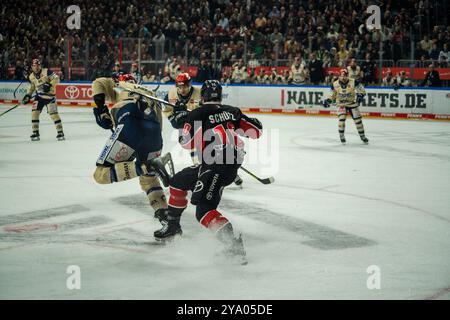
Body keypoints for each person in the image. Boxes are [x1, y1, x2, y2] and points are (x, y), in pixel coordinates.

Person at [154, 80, 263, 264]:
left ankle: (233, 247)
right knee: (178, 181)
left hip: (215, 166)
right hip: (228, 164)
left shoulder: (197, 114)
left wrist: (184, 118)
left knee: (204, 210)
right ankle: (173, 226)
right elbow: (256, 131)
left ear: (202, 97)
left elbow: (185, 143)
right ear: (220, 96)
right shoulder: (232, 111)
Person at [91, 73, 169, 221]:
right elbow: (159, 126)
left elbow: (98, 82)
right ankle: (164, 215)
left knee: (100, 175)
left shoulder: (120, 89)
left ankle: (146, 167)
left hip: (129, 122)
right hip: (154, 133)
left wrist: (100, 109)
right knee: (149, 180)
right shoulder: (149, 94)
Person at [164, 73, 244, 187]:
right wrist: (175, 119)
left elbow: (209, 109)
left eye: (185, 87)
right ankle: (204, 172)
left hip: (201, 124)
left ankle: (227, 170)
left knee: (215, 148)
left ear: (190, 84)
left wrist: (189, 113)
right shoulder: (170, 94)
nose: (182, 90)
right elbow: (166, 110)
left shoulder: (200, 93)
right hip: (185, 126)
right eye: (179, 87)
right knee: (195, 151)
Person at [21, 59, 64, 141]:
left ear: (40, 66)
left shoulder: (46, 72)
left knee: (54, 114)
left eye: (38, 65)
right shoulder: (31, 76)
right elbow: (32, 87)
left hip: (50, 97)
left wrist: (50, 84)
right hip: (39, 97)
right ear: (32, 67)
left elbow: (57, 79)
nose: (36, 67)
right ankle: (35, 132)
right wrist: (28, 95)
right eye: (34, 66)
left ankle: (60, 132)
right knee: (34, 113)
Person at [324, 69, 369, 145]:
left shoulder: (354, 82)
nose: (343, 78)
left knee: (358, 121)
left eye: (345, 76)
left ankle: (362, 136)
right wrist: (328, 100)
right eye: (341, 76)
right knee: (341, 119)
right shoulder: (334, 84)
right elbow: (332, 95)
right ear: (339, 76)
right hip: (341, 104)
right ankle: (341, 136)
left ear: (348, 75)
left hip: (352, 103)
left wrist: (360, 95)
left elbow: (362, 90)